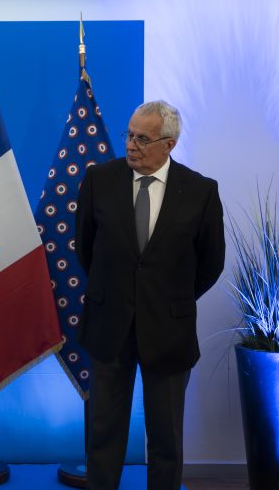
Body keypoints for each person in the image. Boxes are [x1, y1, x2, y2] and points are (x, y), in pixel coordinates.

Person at [75, 100, 225, 490]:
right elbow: (85, 248)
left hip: (169, 330)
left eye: (143, 139)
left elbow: (211, 263)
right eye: (129, 135)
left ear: (169, 144)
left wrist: (169, 299)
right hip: (110, 325)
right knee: (104, 434)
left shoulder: (201, 191)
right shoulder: (99, 181)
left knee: (166, 439)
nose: (131, 145)